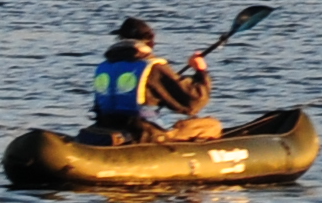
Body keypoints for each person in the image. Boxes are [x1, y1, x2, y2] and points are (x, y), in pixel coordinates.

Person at [84, 18, 220, 145]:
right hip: (143, 134)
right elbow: (194, 102)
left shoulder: (104, 67)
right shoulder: (153, 67)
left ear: (119, 39)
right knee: (211, 125)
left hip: (106, 128)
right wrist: (200, 71)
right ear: (150, 42)